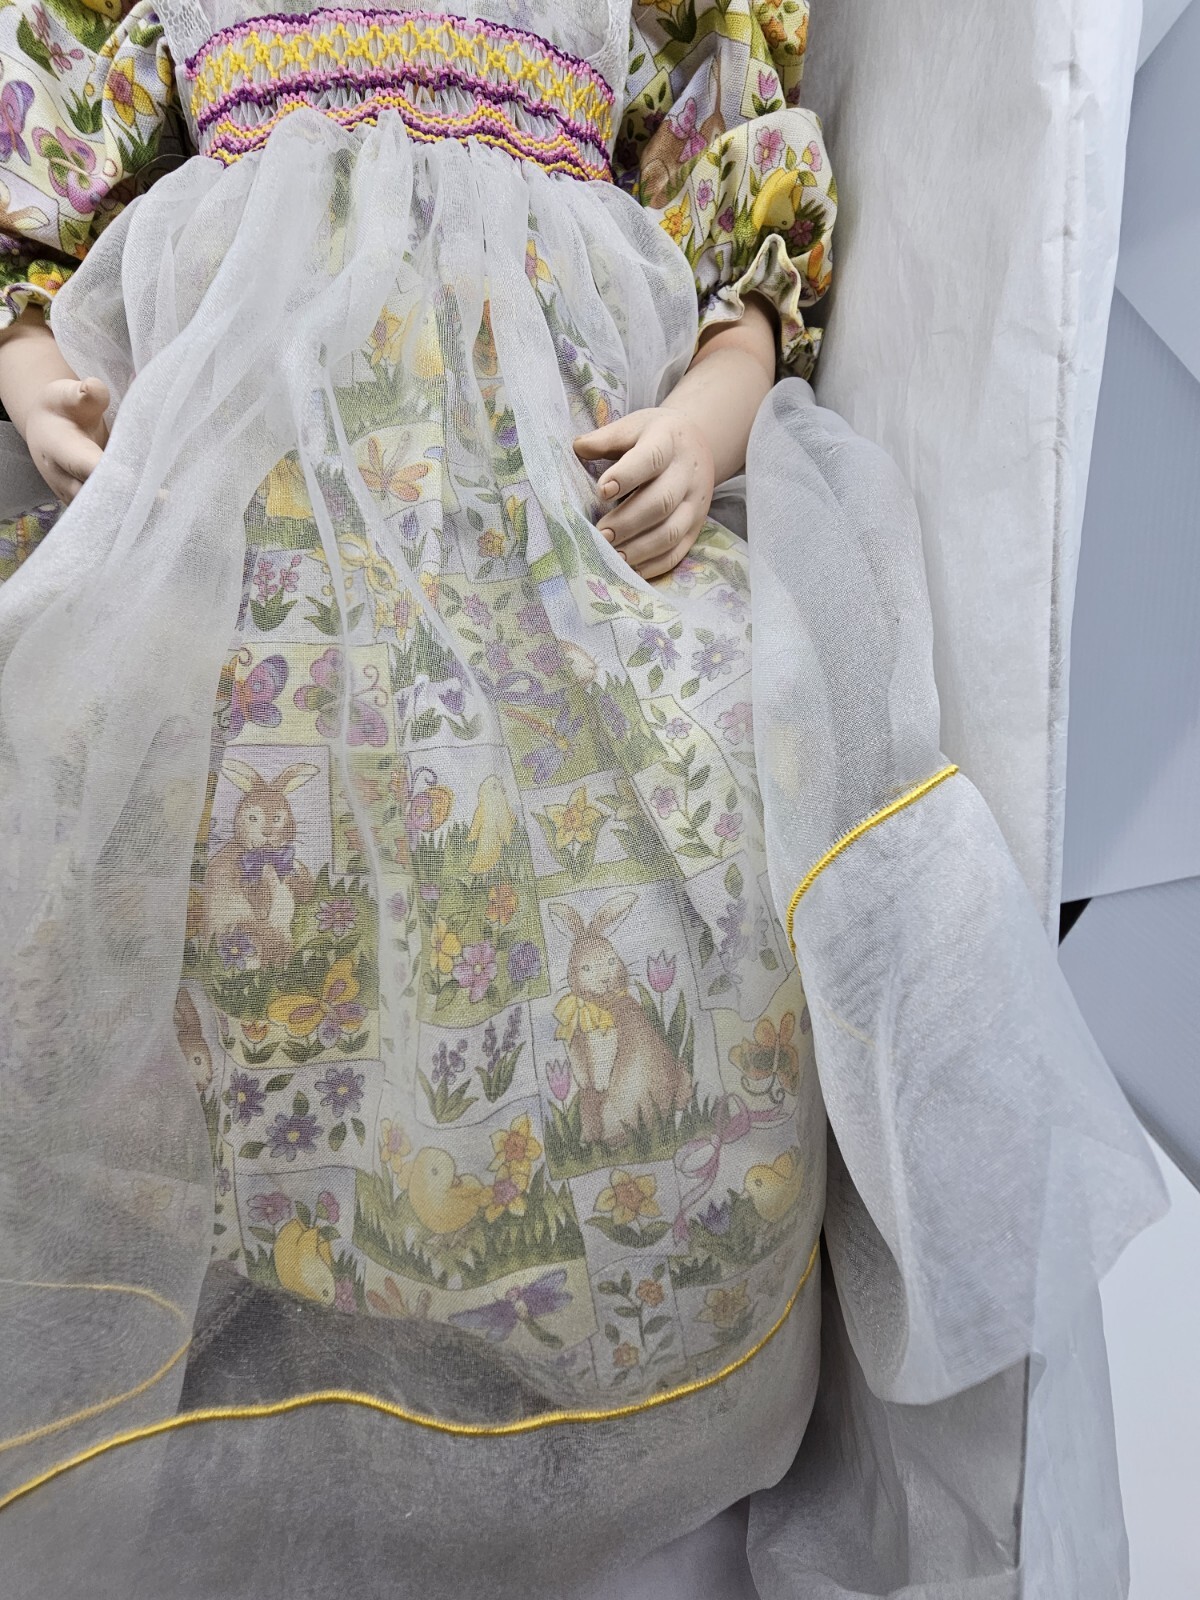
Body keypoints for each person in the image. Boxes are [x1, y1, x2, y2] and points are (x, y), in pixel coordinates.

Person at [0, 3, 1164, 1596]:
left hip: (543, 505)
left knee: (650, 858)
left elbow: (728, 174)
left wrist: (712, 405)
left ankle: (554, 1343)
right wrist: (31, 357)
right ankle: (238, 1329)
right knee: (183, 861)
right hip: (239, 464)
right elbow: (52, 126)